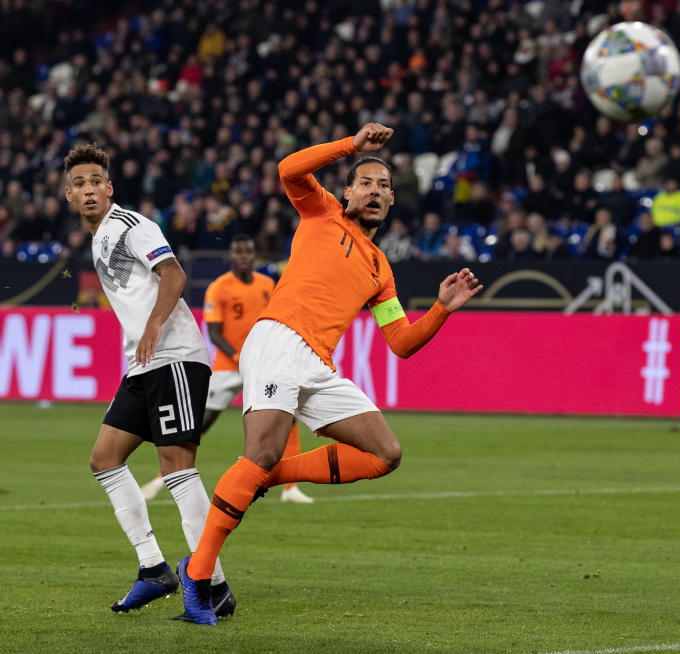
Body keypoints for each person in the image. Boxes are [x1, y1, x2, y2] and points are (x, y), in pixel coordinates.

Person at [177, 123, 482, 625]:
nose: (377, 191)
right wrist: (351, 146)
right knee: (260, 451)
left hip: (318, 363)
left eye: (385, 187)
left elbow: (401, 343)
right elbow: (287, 169)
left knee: (386, 453)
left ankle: (270, 476)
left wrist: (442, 309)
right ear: (347, 190)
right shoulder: (321, 211)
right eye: (366, 182)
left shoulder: (381, 268)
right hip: (278, 339)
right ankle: (199, 575)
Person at [62, 143, 234, 617]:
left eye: (96, 180)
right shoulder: (96, 240)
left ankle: (212, 585)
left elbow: (174, 275)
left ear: (109, 188)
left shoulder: (131, 226)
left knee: (177, 465)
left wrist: (156, 323)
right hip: (143, 364)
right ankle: (153, 568)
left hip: (175, 356)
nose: (89, 189)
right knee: (104, 459)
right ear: (68, 194)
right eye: (79, 183)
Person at [140, 233, 313, 504]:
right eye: (238, 252)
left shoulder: (268, 284)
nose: (244, 256)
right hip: (228, 367)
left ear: (254, 255)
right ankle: (166, 475)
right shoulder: (219, 288)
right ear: (230, 256)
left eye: (248, 252)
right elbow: (215, 333)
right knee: (201, 422)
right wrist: (240, 355)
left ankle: (291, 489)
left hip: (262, 365)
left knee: (288, 415)